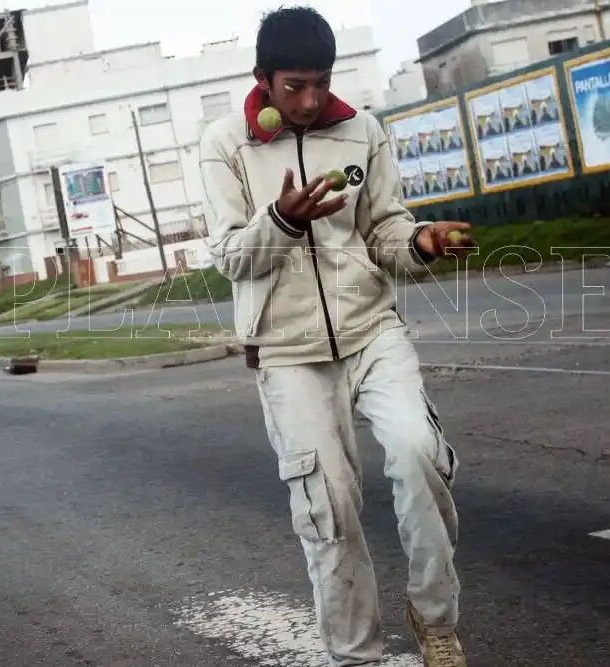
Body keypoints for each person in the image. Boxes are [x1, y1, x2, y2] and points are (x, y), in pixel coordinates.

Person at [198, 7, 474, 667]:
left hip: (369, 327)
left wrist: (420, 242)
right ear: (262, 80)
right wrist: (282, 221)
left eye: (319, 83)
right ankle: (357, 655)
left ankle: (434, 618)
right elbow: (231, 256)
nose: (309, 100)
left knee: (416, 451)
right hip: (286, 350)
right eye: (293, 85)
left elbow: (384, 232)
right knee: (329, 506)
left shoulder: (362, 132)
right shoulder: (225, 143)